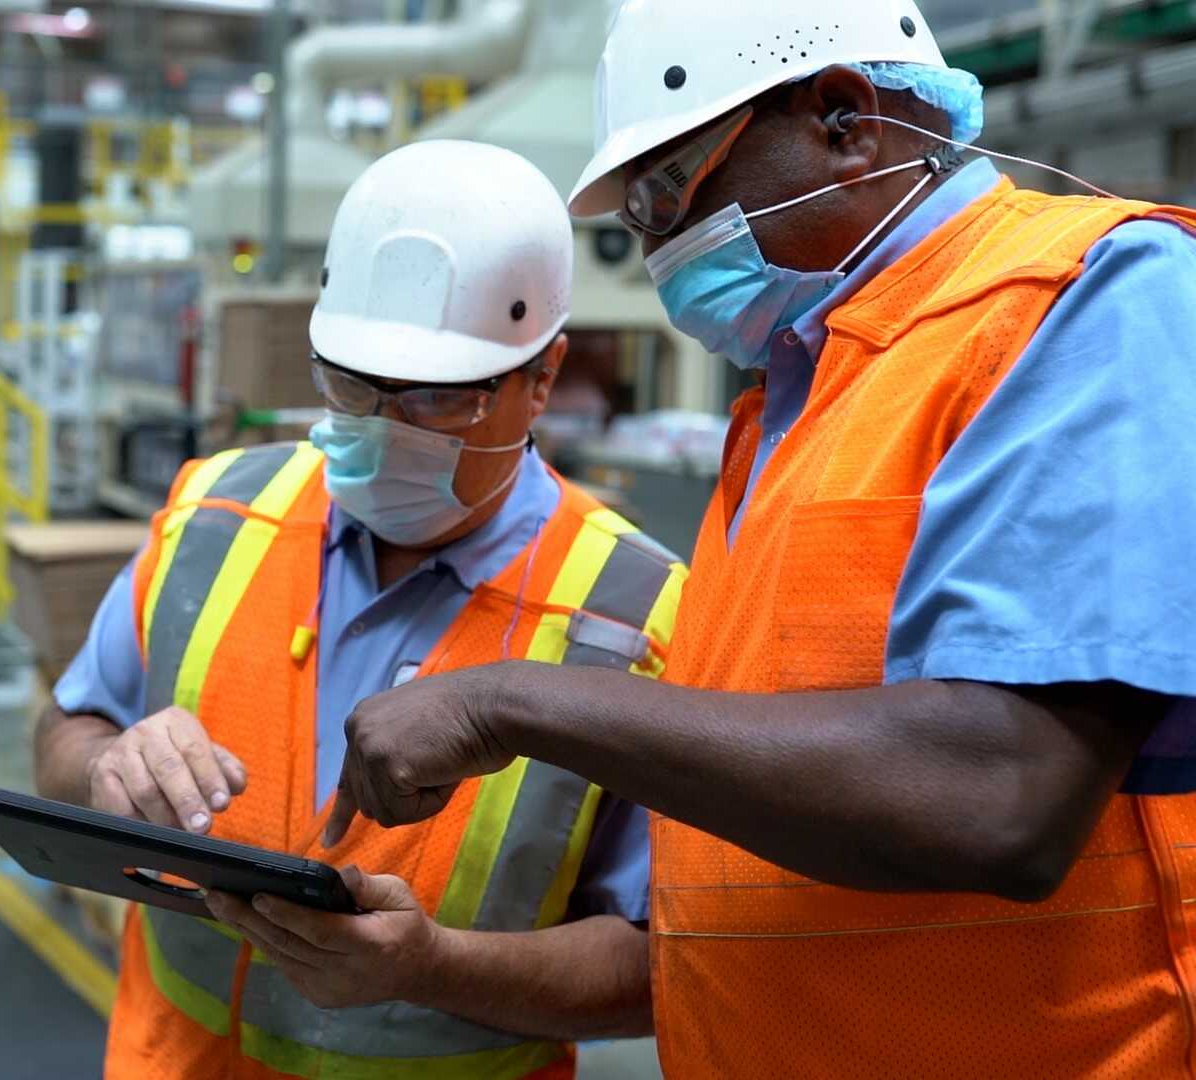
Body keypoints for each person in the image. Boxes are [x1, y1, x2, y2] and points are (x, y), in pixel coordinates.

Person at [320, 2, 1196, 1077]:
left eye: (664, 192)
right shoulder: (799, 394)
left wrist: (505, 701)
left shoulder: (1086, 302)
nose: (653, 246)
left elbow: (1002, 796)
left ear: (843, 121)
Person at [35, 140, 685, 1079]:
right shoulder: (215, 513)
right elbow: (63, 730)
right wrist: (105, 764)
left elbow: (657, 966)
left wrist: (433, 968)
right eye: (349, 386)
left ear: (542, 378)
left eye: (433, 398)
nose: (382, 429)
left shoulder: (633, 617)